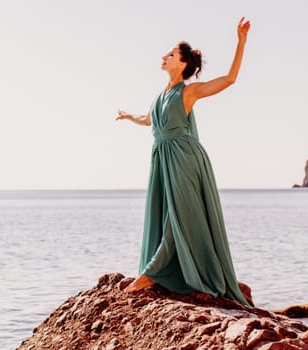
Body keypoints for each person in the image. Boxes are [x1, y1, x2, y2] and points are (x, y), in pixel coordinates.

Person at [116, 17, 251, 306]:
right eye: (166, 53)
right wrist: (129, 116)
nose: (164, 56)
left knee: (178, 214)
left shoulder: (188, 91)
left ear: (183, 64)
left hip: (184, 157)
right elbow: (148, 119)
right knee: (167, 212)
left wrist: (241, 42)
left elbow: (229, 80)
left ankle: (152, 273)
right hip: (163, 157)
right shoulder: (159, 96)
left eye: (171, 54)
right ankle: (166, 271)